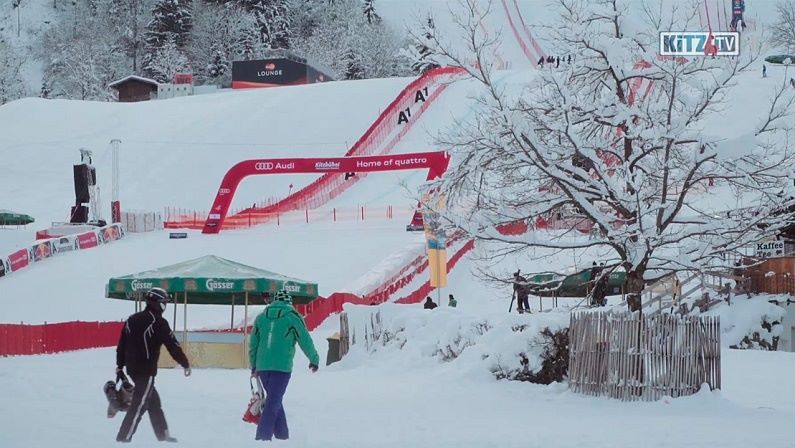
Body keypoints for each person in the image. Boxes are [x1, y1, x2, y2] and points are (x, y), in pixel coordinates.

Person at [115, 287, 191, 443]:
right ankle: (123, 437)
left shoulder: (132, 319)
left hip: (132, 369)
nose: (165, 305)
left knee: (153, 402)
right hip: (146, 371)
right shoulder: (158, 322)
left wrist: (120, 365)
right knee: (139, 404)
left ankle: (163, 435)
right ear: (156, 303)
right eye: (164, 302)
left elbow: (122, 344)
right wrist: (185, 363)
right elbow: (172, 345)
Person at [249, 289, 319, 442]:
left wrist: (254, 366)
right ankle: (262, 439)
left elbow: (253, 344)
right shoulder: (292, 317)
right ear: (289, 302)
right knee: (273, 402)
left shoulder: (261, 318)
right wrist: (314, 359)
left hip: (262, 367)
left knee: (275, 399)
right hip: (281, 367)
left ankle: (283, 437)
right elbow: (304, 339)